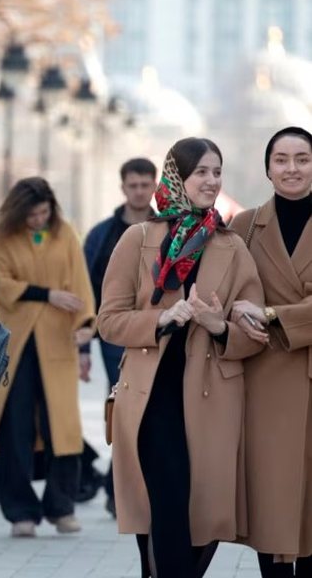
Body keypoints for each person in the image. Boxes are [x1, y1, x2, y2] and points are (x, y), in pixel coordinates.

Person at [98, 137, 267, 577]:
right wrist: (161, 317)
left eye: (217, 172)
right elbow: (110, 320)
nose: (211, 181)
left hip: (214, 399)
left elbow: (255, 336)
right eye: (201, 173)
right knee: (167, 506)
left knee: (206, 517)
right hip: (152, 397)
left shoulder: (233, 247)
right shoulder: (138, 240)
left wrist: (218, 325)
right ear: (177, 177)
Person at [0, 177, 94, 538]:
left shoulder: (66, 234)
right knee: (15, 428)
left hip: (58, 343)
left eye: (43, 213)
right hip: (15, 345)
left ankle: (62, 507)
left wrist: (87, 326)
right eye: (32, 214)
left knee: (64, 428)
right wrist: (46, 295)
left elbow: (81, 284)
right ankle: (20, 511)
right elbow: (1, 286)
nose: (38, 220)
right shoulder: (1, 239)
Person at [229, 126, 312, 577]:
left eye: (302, 158)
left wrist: (274, 313)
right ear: (267, 168)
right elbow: (228, 297)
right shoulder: (244, 226)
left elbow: (258, 306)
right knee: (272, 501)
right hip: (264, 381)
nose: (292, 168)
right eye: (281, 159)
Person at [80, 157, 157, 515]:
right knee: (124, 408)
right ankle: (118, 489)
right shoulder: (102, 234)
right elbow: (87, 287)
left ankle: (136, 487)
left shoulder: (168, 229)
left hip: (158, 331)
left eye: (145, 184)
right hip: (114, 335)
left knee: (151, 410)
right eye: (133, 185)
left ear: (155, 186)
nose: (139, 191)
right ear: (123, 187)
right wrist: (84, 338)